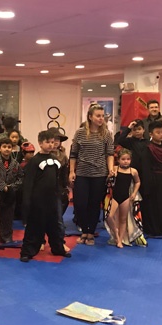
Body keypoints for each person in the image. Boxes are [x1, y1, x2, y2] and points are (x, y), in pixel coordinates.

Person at [19, 130, 69, 262]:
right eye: (48, 142)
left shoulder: (55, 160)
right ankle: (27, 251)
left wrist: (61, 193)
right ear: (40, 143)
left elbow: (58, 179)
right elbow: (28, 183)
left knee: (55, 226)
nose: (51, 145)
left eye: (53, 142)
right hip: (38, 200)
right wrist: (27, 202)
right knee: (34, 226)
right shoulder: (34, 161)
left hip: (52, 199)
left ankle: (58, 248)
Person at [69, 103, 114, 246]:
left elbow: (110, 154)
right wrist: (71, 171)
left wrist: (110, 169)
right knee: (80, 204)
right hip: (82, 172)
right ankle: (84, 230)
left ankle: (90, 233)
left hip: (99, 173)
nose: (101, 119)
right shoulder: (80, 133)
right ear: (90, 117)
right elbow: (73, 153)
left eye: (102, 116)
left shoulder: (106, 134)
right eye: (98, 116)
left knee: (94, 204)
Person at [139, 120, 162, 237]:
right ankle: (150, 229)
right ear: (151, 134)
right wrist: (147, 185)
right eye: (158, 132)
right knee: (152, 205)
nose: (161, 134)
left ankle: (161, 229)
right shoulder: (147, 148)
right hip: (152, 180)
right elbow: (145, 168)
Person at [104, 149, 141, 248]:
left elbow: (138, 182)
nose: (126, 161)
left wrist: (134, 193)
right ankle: (116, 233)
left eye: (128, 159)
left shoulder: (133, 171)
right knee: (109, 216)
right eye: (123, 159)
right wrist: (110, 176)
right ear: (118, 160)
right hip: (114, 196)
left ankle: (120, 240)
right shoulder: (115, 169)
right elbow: (107, 181)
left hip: (125, 197)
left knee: (123, 219)